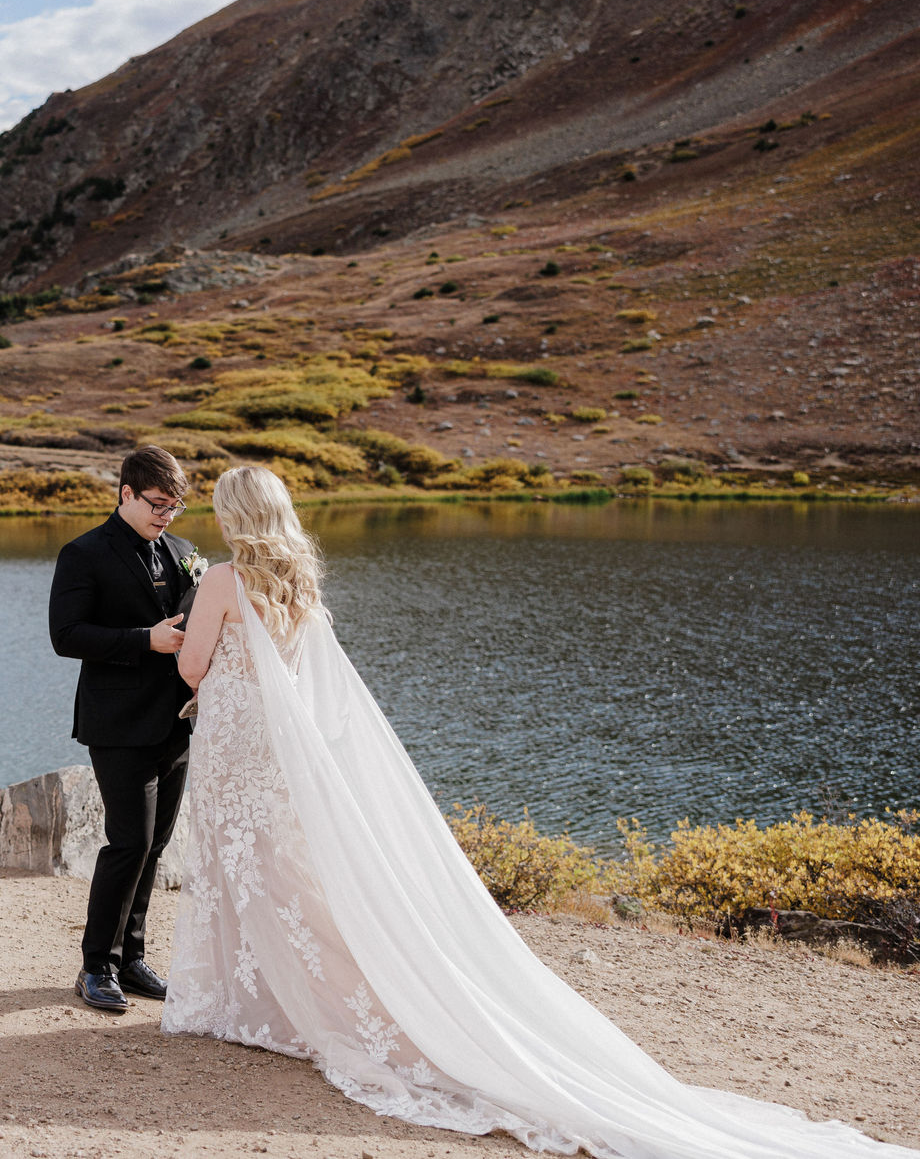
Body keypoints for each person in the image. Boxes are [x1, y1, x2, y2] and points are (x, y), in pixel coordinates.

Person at [162, 464, 918, 1157]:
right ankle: (279, 1005)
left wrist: (176, 630)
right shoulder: (300, 578)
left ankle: (265, 1006)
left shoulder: (224, 580)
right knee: (289, 877)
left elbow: (195, 664)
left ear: (234, 516)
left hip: (236, 752)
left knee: (254, 872)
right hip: (279, 756)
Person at [48, 445, 200, 1014]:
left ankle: (131, 958)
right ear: (126, 494)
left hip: (176, 723)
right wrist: (144, 639)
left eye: (174, 507)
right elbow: (66, 636)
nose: (166, 515)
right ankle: (95, 967)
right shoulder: (83, 553)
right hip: (116, 723)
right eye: (157, 504)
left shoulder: (184, 552)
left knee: (155, 846)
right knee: (128, 843)